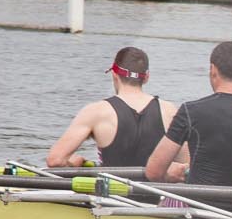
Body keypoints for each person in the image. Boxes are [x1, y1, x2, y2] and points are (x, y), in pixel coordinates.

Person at [144, 40, 232, 188]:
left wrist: (173, 175)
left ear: (213, 69)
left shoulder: (190, 111)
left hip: (200, 208)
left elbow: (153, 171)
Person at [45, 46, 180, 168]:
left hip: (112, 193)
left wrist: (74, 164)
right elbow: (187, 165)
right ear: (146, 78)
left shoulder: (96, 112)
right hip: (156, 193)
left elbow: (55, 160)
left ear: (114, 74)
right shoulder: (170, 111)